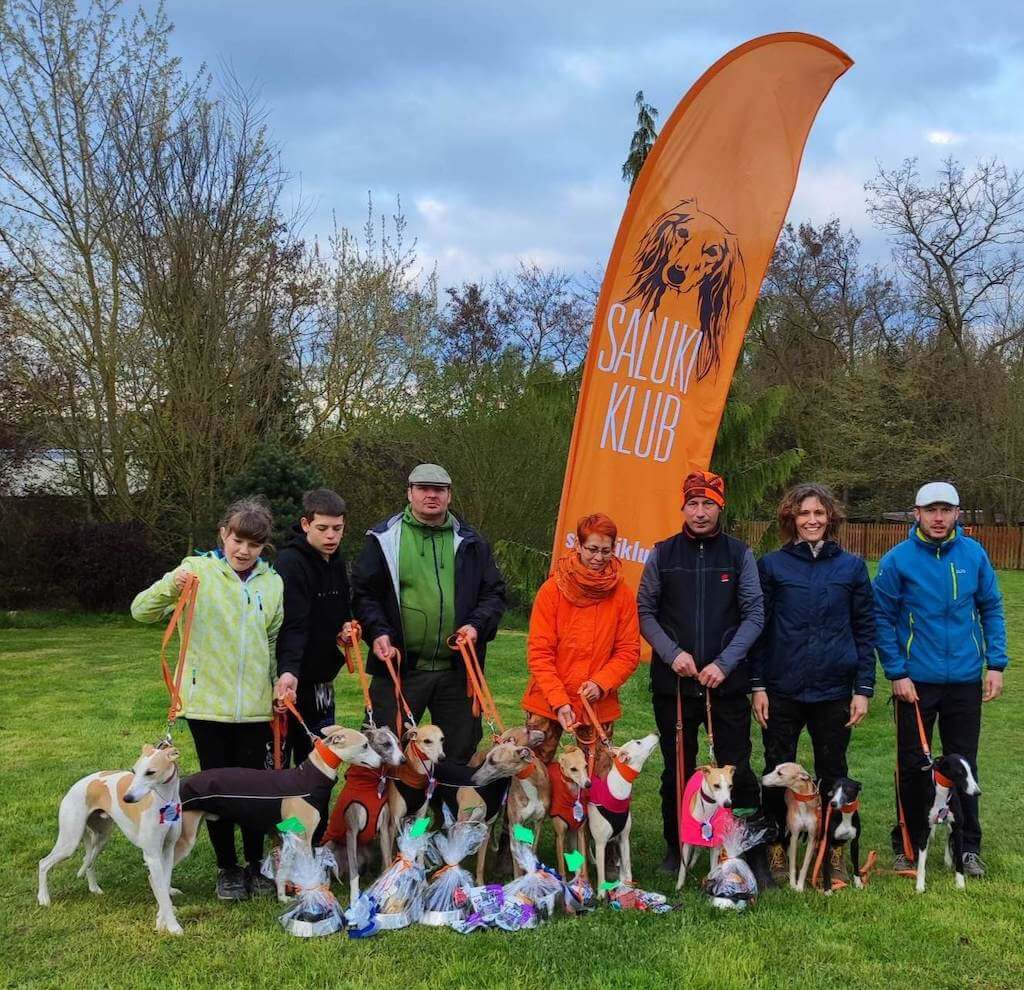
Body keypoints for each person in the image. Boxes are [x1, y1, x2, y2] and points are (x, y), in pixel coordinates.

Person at [130, 496, 284, 900]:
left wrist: (275, 687)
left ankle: (255, 865)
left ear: (263, 547)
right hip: (206, 705)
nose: (244, 551)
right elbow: (140, 611)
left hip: (255, 708)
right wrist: (170, 585)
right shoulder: (195, 570)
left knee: (253, 790)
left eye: (253, 544)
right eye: (237, 540)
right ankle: (227, 868)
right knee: (215, 788)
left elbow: (271, 639)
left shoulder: (273, 582)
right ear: (223, 535)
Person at [874, 481, 1008, 877]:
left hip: (965, 678)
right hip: (915, 681)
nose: (938, 518)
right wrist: (896, 672)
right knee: (913, 763)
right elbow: (881, 618)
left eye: (945, 510)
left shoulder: (974, 554)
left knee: (964, 765)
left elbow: (992, 608)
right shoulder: (897, 560)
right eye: (930, 510)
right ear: (916, 513)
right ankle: (909, 844)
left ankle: (967, 847)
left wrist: (995, 664)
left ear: (956, 514)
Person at [638, 470, 764, 874]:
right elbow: (645, 612)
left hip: (725, 684)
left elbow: (754, 614)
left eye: (708, 503)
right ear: (683, 507)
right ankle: (676, 848)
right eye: (693, 503)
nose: (700, 511)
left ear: (720, 507)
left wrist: (725, 663)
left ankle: (738, 850)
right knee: (677, 769)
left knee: (736, 769)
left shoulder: (739, 555)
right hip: (674, 683)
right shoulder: (662, 554)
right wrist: (672, 654)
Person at [750, 483, 875, 885]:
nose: (812, 520)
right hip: (783, 688)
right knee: (775, 769)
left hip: (834, 689)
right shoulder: (772, 565)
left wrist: (863, 689)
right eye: (804, 514)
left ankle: (834, 851)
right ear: (792, 519)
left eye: (819, 513)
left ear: (830, 518)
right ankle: (775, 845)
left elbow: (864, 629)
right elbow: (761, 629)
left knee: (833, 771)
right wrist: (758, 685)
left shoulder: (852, 567)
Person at [350, 463, 507, 761]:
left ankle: (446, 809)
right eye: (423, 489)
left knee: (458, 753)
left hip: (457, 671)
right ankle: (379, 808)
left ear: (449, 495)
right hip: (400, 667)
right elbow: (363, 593)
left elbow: (494, 594)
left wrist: (476, 625)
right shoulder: (384, 538)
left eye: (439, 490)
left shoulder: (473, 542)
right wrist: (378, 631)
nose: (431, 496)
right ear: (409, 493)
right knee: (382, 750)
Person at [521, 513, 640, 774]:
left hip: (597, 703)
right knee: (532, 773)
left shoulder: (623, 595)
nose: (598, 558)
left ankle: (590, 816)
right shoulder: (552, 590)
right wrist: (559, 700)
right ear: (578, 546)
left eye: (606, 551)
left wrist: (601, 683)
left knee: (597, 778)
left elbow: (629, 651)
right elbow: (540, 653)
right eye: (592, 550)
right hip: (548, 699)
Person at [274, 488, 354, 767]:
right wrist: (289, 672)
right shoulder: (289, 562)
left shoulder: (337, 560)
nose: (331, 536)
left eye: (337, 528)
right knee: (280, 756)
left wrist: (346, 628)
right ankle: (282, 810)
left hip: (323, 679)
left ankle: (315, 809)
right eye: (323, 528)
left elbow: (343, 607)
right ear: (306, 524)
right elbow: (293, 624)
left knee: (320, 752)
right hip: (293, 675)